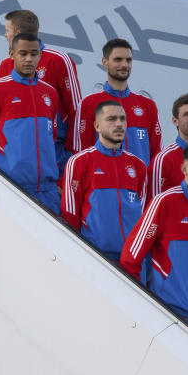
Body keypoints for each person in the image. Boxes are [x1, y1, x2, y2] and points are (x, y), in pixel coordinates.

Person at [121, 142, 188, 343]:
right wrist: (144, 307)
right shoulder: (165, 203)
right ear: (184, 169)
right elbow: (131, 256)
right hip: (176, 320)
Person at [0, 33, 60, 212]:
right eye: (23, 53)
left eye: (34, 53)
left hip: (47, 190)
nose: (29, 59)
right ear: (11, 54)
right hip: (12, 185)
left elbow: (51, 138)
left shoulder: (50, 93)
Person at [62, 101, 147, 261]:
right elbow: (70, 215)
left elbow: (141, 214)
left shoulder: (138, 166)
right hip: (96, 256)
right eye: (111, 119)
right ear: (97, 126)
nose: (119, 124)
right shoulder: (79, 162)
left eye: (123, 119)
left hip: (131, 260)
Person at [0, 9, 82, 170]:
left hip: (55, 153)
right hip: (15, 156)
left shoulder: (59, 60)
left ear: (18, 33)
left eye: (7, 30)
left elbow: (76, 109)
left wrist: (73, 153)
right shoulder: (5, 65)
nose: (5, 35)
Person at [71, 38, 161, 166]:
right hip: (103, 183)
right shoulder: (89, 103)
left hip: (139, 184)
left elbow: (157, 155)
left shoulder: (147, 105)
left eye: (128, 60)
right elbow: (80, 153)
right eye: (118, 60)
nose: (124, 65)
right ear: (105, 62)